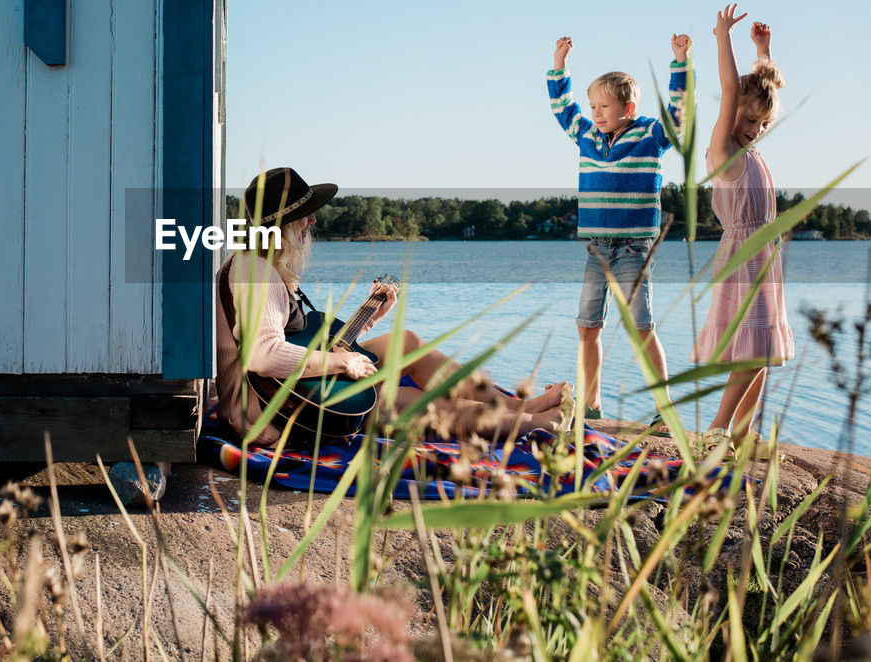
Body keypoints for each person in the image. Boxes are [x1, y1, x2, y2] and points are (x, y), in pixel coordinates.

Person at [215, 167, 571, 449]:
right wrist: (344, 361)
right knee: (410, 399)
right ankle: (536, 425)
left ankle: (521, 408)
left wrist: (367, 318)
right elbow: (264, 356)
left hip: (294, 386)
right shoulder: (255, 272)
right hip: (280, 409)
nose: (312, 222)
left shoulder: (259, 263)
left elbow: (305, 339)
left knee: (408, 340)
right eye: (305, 215)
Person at [546, 34, 690, 419]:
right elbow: (563, 109)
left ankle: (664, 408)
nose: (595, 112)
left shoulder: (649, 136)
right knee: (587, 328)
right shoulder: (588, 137)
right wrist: (559, 63)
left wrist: (680, 63)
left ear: (628, 107)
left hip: (632, 249)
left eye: (603, 106)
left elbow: (678, 115)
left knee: (640, 327)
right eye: (593, 106)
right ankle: (592, 406)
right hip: (597, 248)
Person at [691, 5, 793, 457]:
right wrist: (721, 36)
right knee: (751, 352)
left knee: (764, 349)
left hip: (763, 255)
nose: (756, 130)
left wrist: (764, 51)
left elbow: (758, 91)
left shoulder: (752, 150)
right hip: (742, 258)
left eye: (763, 124)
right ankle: (716, 428)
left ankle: (742, 435)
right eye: (750, 121)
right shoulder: (724, 149)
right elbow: (733, 89)